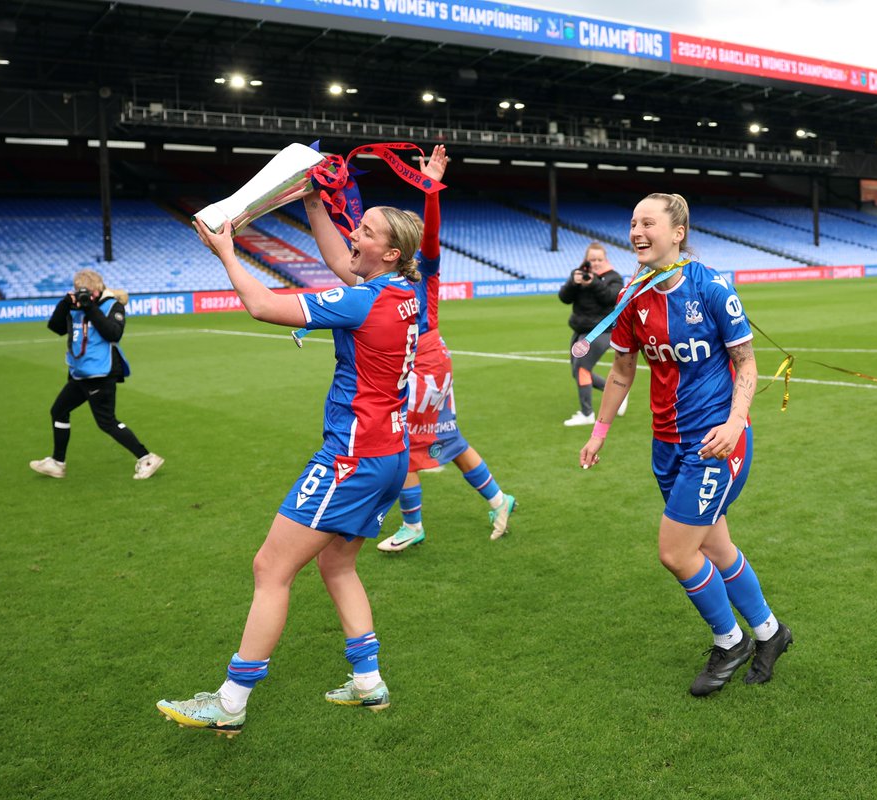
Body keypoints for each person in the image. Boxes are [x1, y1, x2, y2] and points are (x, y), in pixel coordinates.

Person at [156, 189, 424, 736]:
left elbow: (262, 306)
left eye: (367, 232)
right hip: (391, 455)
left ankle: (230, 701)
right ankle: (369, 682)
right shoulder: (403, 293)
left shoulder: (362, 300)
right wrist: (314, 205)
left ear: (391, 252)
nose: (356, 235)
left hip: (351, 458)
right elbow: (342, 265)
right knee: (338, 564)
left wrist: (228, 253)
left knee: (270, 569)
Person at [578, 192, 791, 697]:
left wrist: (737, 421)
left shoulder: (713, 287)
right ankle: (769, 633)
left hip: (716, 442)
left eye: (648, 223)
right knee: (714, 545)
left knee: (676, 552)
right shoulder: (631, 294)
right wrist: (599, 431)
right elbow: (623, 372)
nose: (636, 231)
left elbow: (746, 363)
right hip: (666, 444)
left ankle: (730, 640)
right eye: (632, 223)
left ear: (677, 233)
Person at [309, 145, 515, 551]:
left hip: (422, 362)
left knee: (401, 439)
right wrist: (314, 203)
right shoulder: (375, 279)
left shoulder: (422, 271)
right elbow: (337, 258)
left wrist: (432, 189)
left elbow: (432, 237)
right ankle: (495, 498)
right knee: (446, 439)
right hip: (420, 361)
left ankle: (413, 524)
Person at [29, 269, 164, 480]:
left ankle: (147, 457)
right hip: (80, 372)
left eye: (87, 292)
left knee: (106, 421)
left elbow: (113, 333)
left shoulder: (112, 305)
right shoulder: (75, 307)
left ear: (98, 289)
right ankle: (57, 463)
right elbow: (55, 327)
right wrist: (66, 303)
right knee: (59, 411)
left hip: (102, 372)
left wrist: (90, 308)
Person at [559, 242, 627, 426]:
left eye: (599, 259)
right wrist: (574, 283)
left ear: (605, 260)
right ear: (586, 260)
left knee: (582, 369)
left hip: (601, 331)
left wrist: (594, 282)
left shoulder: (614, 277)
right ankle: (619, 392)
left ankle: (587, 413)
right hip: (580, 330)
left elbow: (612, 298)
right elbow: (564, 298)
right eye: (592, 259)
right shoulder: (579, 274)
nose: (595, 263)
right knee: (578, 371)